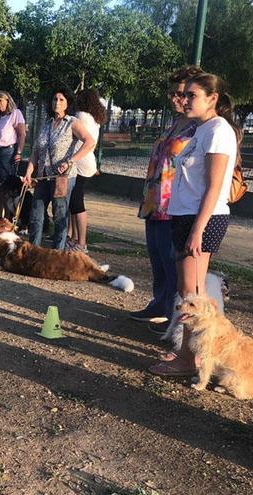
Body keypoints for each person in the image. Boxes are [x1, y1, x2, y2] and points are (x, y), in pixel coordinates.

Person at [149, 72, 242, 377]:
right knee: (192, 291)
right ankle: (193, 353)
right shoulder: (201, 130)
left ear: (212, 99)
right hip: (186, 216)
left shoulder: (217, 131)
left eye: (193, 95)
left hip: (201, 218)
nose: (185, 100)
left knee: (190, 294)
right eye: (184, 95)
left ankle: (188, 360)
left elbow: (215, 187)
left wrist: (198, 229)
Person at [130, 66, 204, 325]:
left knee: (173, 263)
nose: (176, 99)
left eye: (182, 93)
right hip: (154, 200)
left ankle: (175, 316)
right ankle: (159, 303)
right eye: (173, 93)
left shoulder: (198, 127)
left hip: (175, 203)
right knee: (157, 258)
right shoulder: (175, 122)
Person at [23, 89, 95, 250]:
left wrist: (71, 160)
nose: (57, 102)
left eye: (61, 100)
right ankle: (33, 251)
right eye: (55, 99)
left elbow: (90, 142)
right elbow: (36, 151)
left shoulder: (73, 122)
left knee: (60, 215)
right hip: (42, 176)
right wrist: (29, 172)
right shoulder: (47, 124)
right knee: (36, 215)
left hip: (62, 178)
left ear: (67, 103)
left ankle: (58, 253)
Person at [66, 88, 107, 253]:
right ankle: (75, 238)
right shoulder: (94, 118)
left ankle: (81, 242)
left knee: (76, 202)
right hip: (86, 161)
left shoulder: (80, 116)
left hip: (80, 162)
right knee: (73, 201)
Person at [0, 91, 27, 220]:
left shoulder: (15, 114)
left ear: (8, 101)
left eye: (1, 100)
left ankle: (8, 216)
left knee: (6, 186)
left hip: (8, 152)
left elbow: (22, 134)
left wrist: (19, 152)